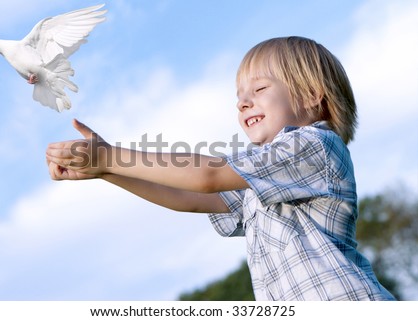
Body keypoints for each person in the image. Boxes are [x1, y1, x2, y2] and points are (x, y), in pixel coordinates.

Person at [46, 36, 396, 301]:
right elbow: (192, 196)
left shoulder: (315, 145)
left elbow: (207, 176)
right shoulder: (264, 175)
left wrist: (110, 155)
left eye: (259, 88)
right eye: (240, 95)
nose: (243, 101)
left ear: (310, 96)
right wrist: (107, 171)